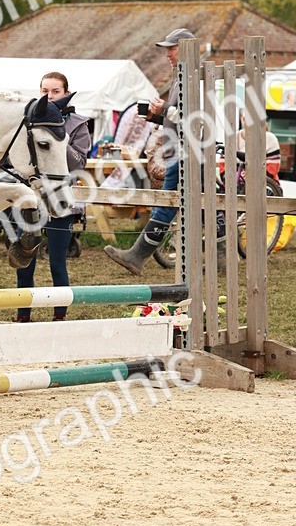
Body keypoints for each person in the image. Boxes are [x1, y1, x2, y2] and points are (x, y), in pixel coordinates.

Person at [104, 27, 207, 275]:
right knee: (199, 205)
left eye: (171, 48)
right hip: (181, 152)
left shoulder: (194, 78)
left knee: (167, 204)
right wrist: (157, 117)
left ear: (184, 48)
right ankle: (223, 250)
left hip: (186, 153)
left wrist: (163, 110)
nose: (167, 54)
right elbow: (179, 119)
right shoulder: (182, 76)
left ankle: (137, 256)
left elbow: (194, 119)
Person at [13, 73, 91, 321]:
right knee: (25, 264)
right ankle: (23, 316)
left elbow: (79, 164)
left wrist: (58, 138)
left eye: (55, 91)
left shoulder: (78, 124)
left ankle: (60, 317)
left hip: (60, 201)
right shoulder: (28, 121)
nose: (49, 96)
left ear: (66, 93)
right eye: (44, 90)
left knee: (57, 262)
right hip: (30, 200)